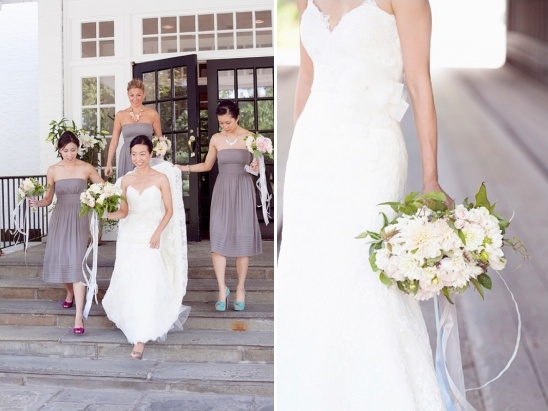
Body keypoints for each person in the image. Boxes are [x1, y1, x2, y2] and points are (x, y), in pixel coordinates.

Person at [277, 0, 453, 410]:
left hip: (370, 151)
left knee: (364, 270)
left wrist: (431, 178)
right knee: (310, 273)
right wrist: (295, 157)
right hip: (311, 155)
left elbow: (420, 83)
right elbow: (306, 79)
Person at [102, 135, 190, 360]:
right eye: (134, 154)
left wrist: (158, 233)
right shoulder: (124, 180)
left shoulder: (161, 178)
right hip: (130, 235)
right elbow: (123, 212)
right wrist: (104, 212)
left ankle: (140, 338)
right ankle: (131, 319)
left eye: (142, 153)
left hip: (151, 236)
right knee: (130, 278)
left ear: (151, 154)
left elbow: (170, 210)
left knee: (148, 279)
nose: (138, 158)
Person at [175, 100, 262, 312]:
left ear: (237, 117)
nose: (225, 126)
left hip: (243, 190)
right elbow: (207, 165)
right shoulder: (216, 138)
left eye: (228, 122)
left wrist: (256, 164)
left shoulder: (252, 138)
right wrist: (182, 167)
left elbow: (257, 169)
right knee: (218, 239)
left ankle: (240, 288)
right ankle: (222, 289)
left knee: (243, 240)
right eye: (221, 123)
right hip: (222, 191)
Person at [32, 131, 103, 334]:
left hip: (80, 216)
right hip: (60, 217)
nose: (70, 154)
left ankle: (79, 315)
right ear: (59, 150)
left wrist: (99, 200)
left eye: (73, 150)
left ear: (78, 148)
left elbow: (103, 188)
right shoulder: (53, 170)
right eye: (65, 150)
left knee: (77, 261)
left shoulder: (86, 168)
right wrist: (37, 202)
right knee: (63, 259)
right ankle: (70, 292)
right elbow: (48, 199)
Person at [104, 79, 162, 178]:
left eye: (138, 95)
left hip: (146, 156)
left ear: (144, 94)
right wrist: (109, 163)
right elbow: (114, 141)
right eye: (132, 95)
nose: (135, 99)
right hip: (127, 155)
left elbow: (160, 140)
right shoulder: (120, 115)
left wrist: (160, 161)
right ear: (128, 95)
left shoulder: (153, 114)